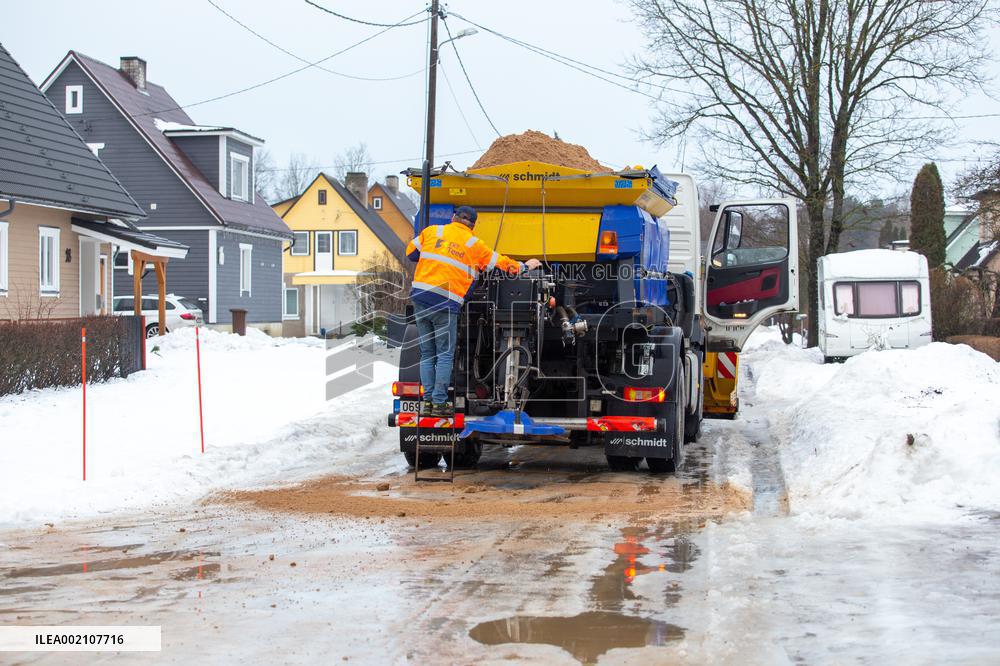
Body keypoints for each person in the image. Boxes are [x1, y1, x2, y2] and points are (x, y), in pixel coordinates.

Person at [405, 205, 541, 416]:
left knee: (427, 353)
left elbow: (411, 253)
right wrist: (526, 266)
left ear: (453, 217)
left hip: (421, 299)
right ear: (473, 225)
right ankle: (439, 403)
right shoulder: (475, 245)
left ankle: (429, 402)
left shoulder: (432, 231)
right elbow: (507, 266)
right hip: (445, 303)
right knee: (444, 354)